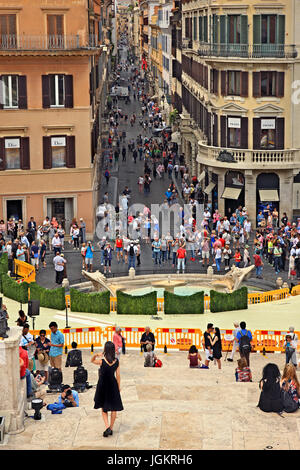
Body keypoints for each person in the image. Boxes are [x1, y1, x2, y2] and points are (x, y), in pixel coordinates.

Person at [92, 341, 123, 437]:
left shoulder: (102, 361)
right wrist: (118, 387)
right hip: (113, 384)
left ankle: (107, 427)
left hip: (102, 385)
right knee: (114, 408)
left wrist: (96, 354)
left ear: (105, 349)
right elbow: (118, 376)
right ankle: (111, 427)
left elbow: (92, 360)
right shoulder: (116, 361)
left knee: (103, 406)